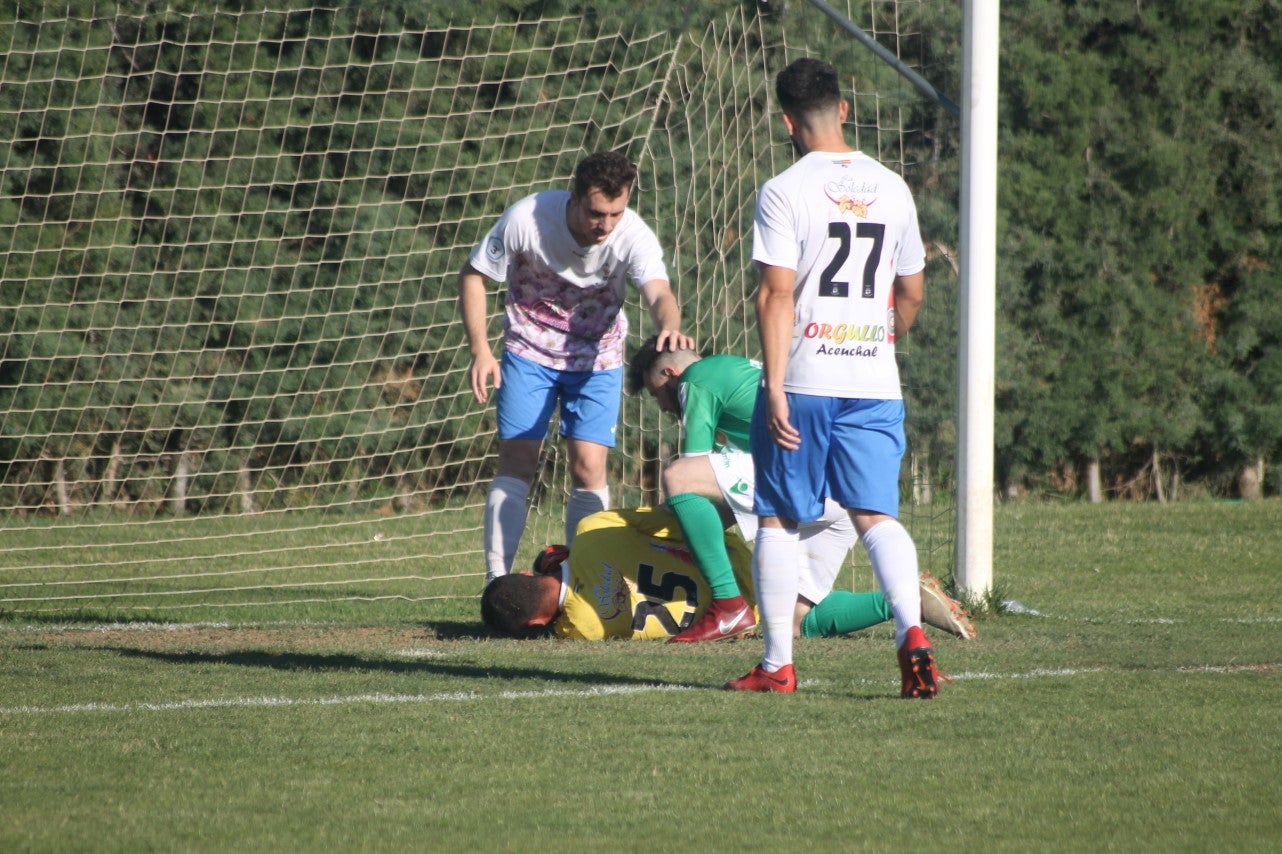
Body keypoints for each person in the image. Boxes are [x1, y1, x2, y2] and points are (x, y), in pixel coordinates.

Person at [730, 57, 937, 697]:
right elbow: (911, 291)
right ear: (843, 109)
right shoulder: (895, 186)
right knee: (876, 516)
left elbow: (776, 296)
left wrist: (773, 386)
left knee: (777, 520)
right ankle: (912, 633)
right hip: (874, 380)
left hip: (808, 377)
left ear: (787, 121)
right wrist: (880, 336)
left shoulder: (784, 189)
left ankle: (776, 666)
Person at [459, 151, 694, 587]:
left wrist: (670, 329)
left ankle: (583, 582)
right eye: (596, 212)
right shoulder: (526, 219)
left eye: (616, 212)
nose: (605, 224)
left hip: (597, 360)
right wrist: (481, 351)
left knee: (588, 468)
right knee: (518, 460)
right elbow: (474, 275)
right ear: (574, 197)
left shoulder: (632, 235)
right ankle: (497, 583)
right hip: (529, 352)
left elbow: (660, 292)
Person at [626, 337, 899, 645]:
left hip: (807, 477)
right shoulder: (736, 375)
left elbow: (690, 473)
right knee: (792, 619)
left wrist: (645, 524)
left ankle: (728, 605)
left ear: (670, 374)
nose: (662, 407)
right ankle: (906, 598)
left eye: (656, 394)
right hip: (845, 492)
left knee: (677, 475)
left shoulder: (696, 378)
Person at [480, 507, 975, 643]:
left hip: (735, 607)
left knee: (800, 621)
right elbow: (669, 517)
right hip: (737, 554)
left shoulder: (581, 629)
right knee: (797, 613)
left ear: (536, 625)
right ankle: (902, 596)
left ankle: (896, 600)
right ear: (529, 567)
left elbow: (563, 609)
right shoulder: (590, 530)